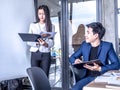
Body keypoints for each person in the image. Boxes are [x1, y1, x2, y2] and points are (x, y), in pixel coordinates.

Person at [69, 22, 120, 90]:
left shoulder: (107, 46)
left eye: (88, 33)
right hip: (87, 77)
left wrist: (100, 68)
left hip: (102, 77)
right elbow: (72, 57)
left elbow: (117, 64)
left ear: (96, 35)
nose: (85, 35)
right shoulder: (85, 45)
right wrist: (75, 60)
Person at [27, 5, 55, 77]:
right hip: (35, 54)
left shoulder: (51, 26)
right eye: (39, 14)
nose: (41, 16)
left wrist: (45, 44)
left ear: (47, 14)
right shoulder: (32, 25)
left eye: (43, 14)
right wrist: (37, 44)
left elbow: (52, 42)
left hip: (45, 54)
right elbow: (28, 41)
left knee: (45, 77)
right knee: (35, 77)